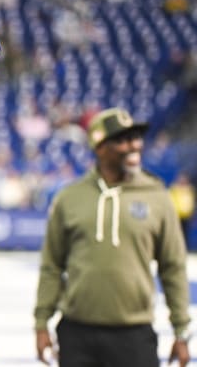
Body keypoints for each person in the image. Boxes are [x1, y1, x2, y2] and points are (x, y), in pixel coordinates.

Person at [34, 107, 191, 367]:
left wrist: (181, 331)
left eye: (136, 138)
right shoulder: (70, 198)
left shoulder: (157, 197)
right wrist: (42, 323)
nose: (134, 145)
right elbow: (52, 266)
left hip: (135, 334)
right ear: (99, 145)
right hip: (76, 334)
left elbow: (173, 268)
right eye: (122, 139)